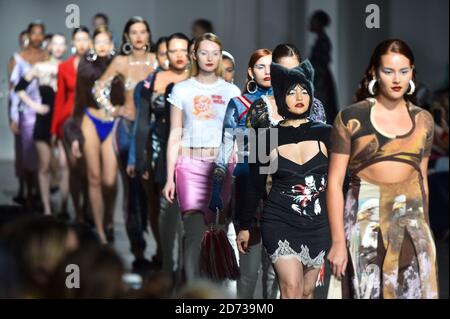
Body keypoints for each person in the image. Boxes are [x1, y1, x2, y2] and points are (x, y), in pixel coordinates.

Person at [327, 39, 438, 299]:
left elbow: (421, 178)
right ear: (374, 73)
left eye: (403, 70)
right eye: (388, 71)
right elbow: (333, 183)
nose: (396, 78)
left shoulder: (424, 120)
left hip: (412, 222)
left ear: (412, 72)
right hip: (365, 220)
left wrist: (427, 234)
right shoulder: (352, 118)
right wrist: (337, 242)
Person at [163, 33, 240, 283]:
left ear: (220, 56)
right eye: (204, 52)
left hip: (221, 167)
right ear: (194, 55)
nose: (209, 58)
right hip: (189, 166)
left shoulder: (231, 91)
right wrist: (169, 178)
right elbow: (175, 133)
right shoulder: (182, 89)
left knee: (217, 232)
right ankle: (191, 294)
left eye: (215, 53)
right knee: (194, 233)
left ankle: (214, 292)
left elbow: (236, 136)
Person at [209, 48, 272, 298]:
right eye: (261, 67)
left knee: (275, 268)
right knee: (249, 268)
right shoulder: (239, 104)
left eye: (271, 67)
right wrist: (216, 189)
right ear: (250, 72)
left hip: (278, 190)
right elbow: (226, 145)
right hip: (248, 188)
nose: (267, 72)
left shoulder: (287, 104)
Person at [127, 33, 190, 276]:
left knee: (191, 212)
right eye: (170, 51)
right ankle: (165, 257)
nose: (177, 56)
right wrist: (137, 158)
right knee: (160, 206)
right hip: (158, 147)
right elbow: (142, 121)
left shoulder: (197, 79)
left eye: (182, 50)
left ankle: (187, 267)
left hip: (193, 150)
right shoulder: (150, 82)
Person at [94, 16, 155, 244]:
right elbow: (99, 87)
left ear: (148, 35)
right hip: (127, 128)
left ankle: (159, 245)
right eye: (134, 32)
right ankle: (137, 245)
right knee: (130, 185)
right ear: (127, 37)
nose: (139, 37)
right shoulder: (120, 62)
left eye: (143, 32)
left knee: (152, 188)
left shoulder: (158, 61)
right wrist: (114, 109)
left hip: (151, 131)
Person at [69, 26, 123, 244]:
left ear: (112, 44)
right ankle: (100, 232)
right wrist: (74, 133)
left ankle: (109, 217)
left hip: (111, 121)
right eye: (97, 42)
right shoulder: (85, 65)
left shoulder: (120, 63)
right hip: (90, 119)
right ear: (93, 44)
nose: (101, 46)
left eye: (105, 42)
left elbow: (124, 95)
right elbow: (79, 99)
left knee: (109, 181)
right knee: (93, 177)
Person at [15, 34, 67, 216]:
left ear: (66, 47)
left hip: (63, 120)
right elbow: (19, 87)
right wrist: (35, 105)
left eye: (62, 44)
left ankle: (64, 206)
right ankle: (46, 208)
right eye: (55, 44)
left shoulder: (69, 67)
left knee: (64, 166)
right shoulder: (39, 67)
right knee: (44, 166)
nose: (59, 47)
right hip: (44, 120)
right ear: (50, 46)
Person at [51, 27, 91, 222]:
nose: (82, 43)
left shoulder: (98, 65)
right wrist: (54, 129)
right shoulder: (64, 67)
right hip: (69, 121)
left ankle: (88, 207)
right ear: (73, 43)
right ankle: (79, 212)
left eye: (85, 39)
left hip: (91, 119)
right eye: (78, 39)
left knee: (89, 169)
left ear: (90, 42)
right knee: (74, 168)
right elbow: (59, 99)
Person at [9, 21, 49, 211]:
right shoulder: (18, 58)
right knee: (25, 155)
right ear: (28, 35)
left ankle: (39, 195)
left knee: (43, 156)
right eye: (34, 33)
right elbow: (13, 90)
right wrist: (13, 117)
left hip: (44, 112)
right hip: (24, 113)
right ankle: (28, 193)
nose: (37, 37)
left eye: (41, 33)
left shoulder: (47, 56)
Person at [309, 10, 338, 124]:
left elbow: (321, 63)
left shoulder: (323, 42)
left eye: (313, 21)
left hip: (321, 81)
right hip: (320, 79)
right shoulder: (321, 41)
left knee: (323, 108)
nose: (310, 24)